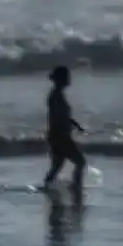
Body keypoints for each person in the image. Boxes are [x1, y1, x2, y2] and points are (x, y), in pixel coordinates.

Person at [42, 65, 86, 193]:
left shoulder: (57, 95)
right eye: (67, 77)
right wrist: (67, 127)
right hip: (60, 136)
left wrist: (76, 125)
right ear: (60, 79)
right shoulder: (55, 96)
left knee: (57, 165)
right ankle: (76, 187)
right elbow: (58, 116)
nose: (69, 79)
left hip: (58, 135)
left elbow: (62, 115)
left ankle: (47, 187)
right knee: (80, 162)